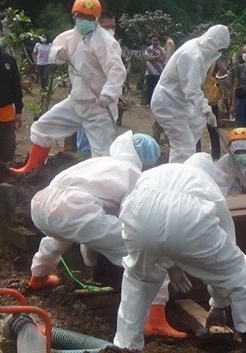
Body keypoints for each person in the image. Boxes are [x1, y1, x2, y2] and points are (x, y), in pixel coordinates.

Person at [28, 130, 187, 339]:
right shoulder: (132, 174)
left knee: (57, 237)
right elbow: (135, 221)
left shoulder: (100, 162)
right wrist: (172, 264)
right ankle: (155, 319)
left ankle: (38, 276)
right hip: (75, 210)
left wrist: (91, 249)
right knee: (147, 253)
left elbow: (87, 216)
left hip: (41, 206)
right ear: (145, 161)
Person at [114, 153, 246, 352]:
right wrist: (219, 304)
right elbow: (226, 262)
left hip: (138, 213)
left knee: (138, 280)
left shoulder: (160, 171)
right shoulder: (209, 187)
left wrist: (171, 265)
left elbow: (158, 222)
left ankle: (125, 346)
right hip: (188, 217)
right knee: (239, 275)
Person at [10, 0, 126, 175]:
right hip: (75, 102)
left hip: (98, 108)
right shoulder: (69, 37)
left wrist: (108, 94)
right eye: (81, 16)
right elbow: (54, 49)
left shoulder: (105, 42)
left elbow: (117, 71)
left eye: (89, 18)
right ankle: (31, 169)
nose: (84, 21)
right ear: (74, 16)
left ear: (96, 19)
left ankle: (102, 187)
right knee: (44, 127)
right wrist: (58, 53)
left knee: (103, 154)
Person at [151, 25, 229, 163]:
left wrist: (204, 113)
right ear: (212, 43)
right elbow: (191, 90)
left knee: (193, 132)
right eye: (218, 49)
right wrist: (206, 110)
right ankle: (178, 179)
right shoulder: (192, 56)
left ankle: (182, 172)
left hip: (179, 102)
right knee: (184, 147)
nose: (218, 52)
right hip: (167, 102)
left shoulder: (197, 49)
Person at [76, 9, 124, 155]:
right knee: (85, 145)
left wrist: (111, 94)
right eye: (107, 27)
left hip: (104, 103)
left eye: (113, 27)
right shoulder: (86, 44)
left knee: (103, 146)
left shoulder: (112, 45)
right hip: (87, 101)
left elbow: (116, 73)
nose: (110, 30)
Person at [0, 25, 23, 164]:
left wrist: (19, 111)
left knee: (7, 148)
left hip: (6, 112)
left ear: (1, 33)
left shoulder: (9, 61)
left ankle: (6, 179)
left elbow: (16, 87)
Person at [143, 34, 165, 107]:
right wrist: (158, 57)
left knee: (158, 89)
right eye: (153, 40)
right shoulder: (148, 49)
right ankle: (148, 103)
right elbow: (147, 58)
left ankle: (156, 104)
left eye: (156, 40)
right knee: (149, 88)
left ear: (158, 41)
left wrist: (152, 58)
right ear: (151, 41)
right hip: (150, 72)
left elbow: (163, 59)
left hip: (159, 72)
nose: (155, 42)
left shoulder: (162, 49)